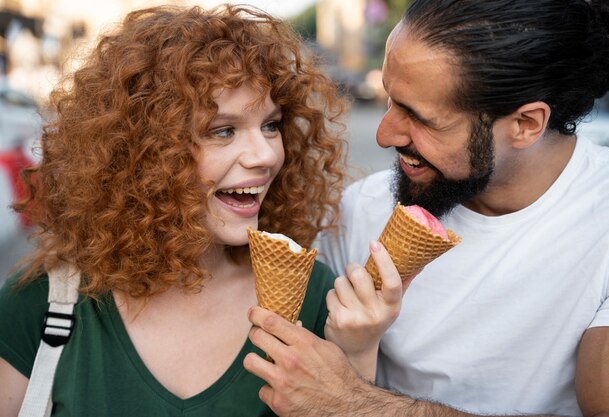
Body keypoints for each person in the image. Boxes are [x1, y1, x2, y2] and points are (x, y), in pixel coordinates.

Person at [243, 1, 609, 416]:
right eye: (390, 100)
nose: (385, 134)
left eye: (421, 119)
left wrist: (357, 405)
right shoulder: (360, 210)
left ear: (526, 124)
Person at [0, 5, 353, 416]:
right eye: (223, 130)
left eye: (271, 125)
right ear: (144, 155)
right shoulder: (40, 304)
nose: (265, 155)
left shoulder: (314, 299)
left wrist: (360, 354)